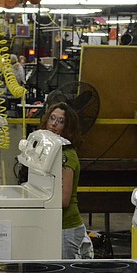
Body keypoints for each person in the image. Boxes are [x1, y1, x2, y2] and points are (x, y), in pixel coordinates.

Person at [39, 102, 93, 259]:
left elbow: (63, 200)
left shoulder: (67, 155)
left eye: (60, 121)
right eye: (52, 118)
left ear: (68, 127)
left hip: (67, 227)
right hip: (55, 223)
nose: (54, 124)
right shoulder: (51, 151)